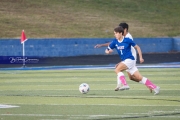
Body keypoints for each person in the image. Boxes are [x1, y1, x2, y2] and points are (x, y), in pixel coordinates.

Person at [105, 26, 160, 95]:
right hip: (126, 61)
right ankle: (155, 87)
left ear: (121, 33)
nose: (115, 35)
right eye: (114, 33)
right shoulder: (115, 42)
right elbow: (107, 50)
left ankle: (124, 85)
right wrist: (108, 52)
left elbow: (137, 47)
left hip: (130, 60)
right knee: (139, 77)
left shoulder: (127, 40)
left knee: (117, 70)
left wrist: (141, 57)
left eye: (116, 33)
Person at [95, 22, 138, 91]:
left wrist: (103, 46)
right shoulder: (121, 38)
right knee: (129, 75)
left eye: (118, 32)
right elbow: (113, 43)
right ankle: (120, 85)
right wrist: (107, 49)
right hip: (126, 58)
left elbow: (132, 46)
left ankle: (124, 84)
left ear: (124, 30)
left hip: (130, 58)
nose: (116, 34)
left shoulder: (127, 37)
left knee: (119, 70)